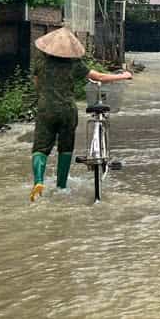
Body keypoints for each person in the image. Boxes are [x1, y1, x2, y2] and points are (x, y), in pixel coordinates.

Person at [29, 27, 131, 201]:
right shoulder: (74, 65)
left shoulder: (40, 62)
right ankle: (61, 186)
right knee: (65, 148)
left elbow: (37, 84)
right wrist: (123, 75)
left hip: (46, 108)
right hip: (67, 110)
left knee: (40, 148)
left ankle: (38, 181)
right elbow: (98, 77)